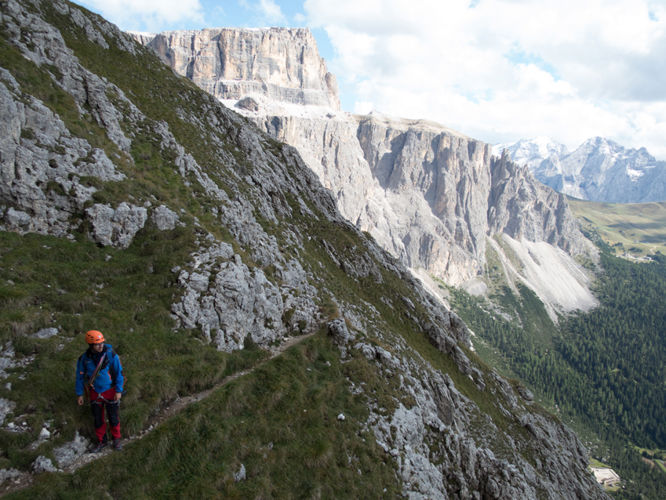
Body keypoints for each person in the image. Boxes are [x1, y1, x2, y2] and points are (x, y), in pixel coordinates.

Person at [75, 330, 125, 452]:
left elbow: (119, 373)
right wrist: (79, 394)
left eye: (102, 343)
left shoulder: (111, 355)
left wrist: (118, 391)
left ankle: (116, 439)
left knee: (113, 417)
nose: (100, 346)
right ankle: (102, 441)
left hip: (110, 391)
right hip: (95, 392)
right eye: (97, 344)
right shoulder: (84, 359)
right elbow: (80, 377)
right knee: (98, 418)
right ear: (91, 345)